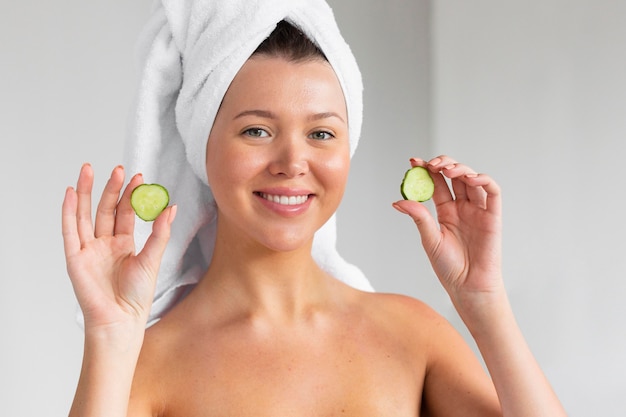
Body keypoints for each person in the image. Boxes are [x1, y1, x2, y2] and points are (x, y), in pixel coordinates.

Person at [62, 2, 567, 416]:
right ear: (202, 144)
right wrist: (108, 336)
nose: (292, 162)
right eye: (256, 130)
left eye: (321, 133)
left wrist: (485, 305)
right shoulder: (148, 363)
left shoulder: (412, 337)